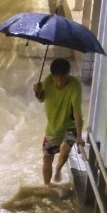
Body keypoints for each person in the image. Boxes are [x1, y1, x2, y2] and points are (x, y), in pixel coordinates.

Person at [32, 57, 84, 186]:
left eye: (62, 78)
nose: (59, 81)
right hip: (52, 128)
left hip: (70, 126)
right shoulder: (48, 80)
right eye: (56, 78)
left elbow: (77, 112)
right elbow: (41, 99)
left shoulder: (75, 86)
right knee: (47, 160)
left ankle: (58, 169)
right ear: (52, 75)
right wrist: (37, 92)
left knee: (65, 149)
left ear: (68, 73)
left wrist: (79, 136)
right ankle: (47, 186)